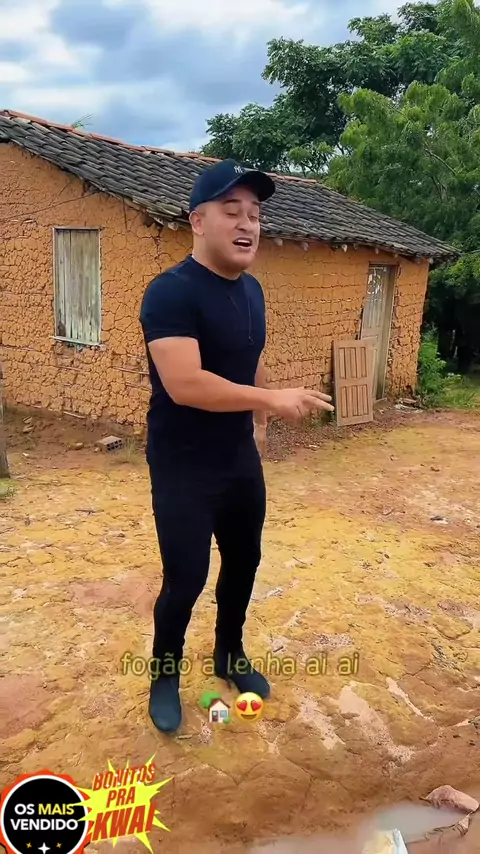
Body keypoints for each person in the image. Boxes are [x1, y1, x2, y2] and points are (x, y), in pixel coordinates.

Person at [139, 158, 334, 733]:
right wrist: (271, 398)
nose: (248, 223)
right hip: (182, 462)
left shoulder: (252, 291)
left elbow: (251, 358)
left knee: (244, 561)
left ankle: (229, 653)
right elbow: (186, 383)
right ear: (198, 221)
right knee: (186, 577)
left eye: (255, 214)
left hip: (237, 456)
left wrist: (260, 419)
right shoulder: (170, 293)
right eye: (232, 211)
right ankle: (165, 673)